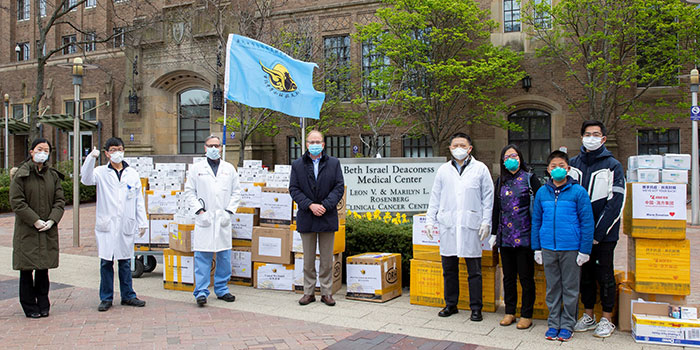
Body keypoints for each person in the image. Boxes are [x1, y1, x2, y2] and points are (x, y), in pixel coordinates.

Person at [425, 132, 494, 322]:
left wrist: (486, 221)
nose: (458, 149)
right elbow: (435, 198)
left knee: (474, 270)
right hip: (448, 224)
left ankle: (476, 308)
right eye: (455, 146)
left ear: (470, 148)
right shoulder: (443, 171)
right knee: (449, 268)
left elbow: (488, 198)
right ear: (449, 148)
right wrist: (430, 220)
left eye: (462, 145)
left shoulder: (480, 169)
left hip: (471, 224)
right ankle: (451, 304)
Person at [569, 120, 625, 338]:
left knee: (605, 275)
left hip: (604, 236)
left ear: (603, 139)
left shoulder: (613, 165)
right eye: (587, 134)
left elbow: (616, 202)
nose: (591, 137)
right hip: (580, 235)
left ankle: (607, 318)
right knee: (585, 276)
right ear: (582, 137)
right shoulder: (573, 164)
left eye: (596, 134)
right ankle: (589, 314)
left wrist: (597, 234)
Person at [531, 150, 594, 342]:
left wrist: (585, 250)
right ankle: (553, 323)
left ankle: (567, 325)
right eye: (553, 166)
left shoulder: (578, 192)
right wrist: (537, 248)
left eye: (561, 166)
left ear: (568, 169)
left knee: (570, 288)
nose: (557, 169)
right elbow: (536, 220)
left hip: (571, 248)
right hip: (549, 247)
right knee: (552, 288)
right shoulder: (542, 192)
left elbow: (587, 222)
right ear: (548, 170)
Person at [81, 137, 148, 312]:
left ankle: (128, 296)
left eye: (119, 149)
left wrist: (142, 222)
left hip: (126, 223)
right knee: (106, 262)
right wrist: (90, 158)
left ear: (124, 150)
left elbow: (138, 200)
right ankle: (106, 297)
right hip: (107, 225)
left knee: (125, 262)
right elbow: (85, 179)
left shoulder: (132, 173)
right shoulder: (101, 172)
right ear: (106, 153)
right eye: (112, 150)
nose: (116, 152)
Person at [9, 138, 65, 318]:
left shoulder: (53, 175)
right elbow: (17, 203)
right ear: (32, 151)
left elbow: (59, 201)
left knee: (43, 269)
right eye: (39, 149)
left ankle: (43, 303)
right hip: (27, 229)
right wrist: (35, 220)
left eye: (46, 150)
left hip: (47, 229)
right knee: (26, 269)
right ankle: (29, 306)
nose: (43, 153)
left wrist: (52, 220)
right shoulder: (21, 175)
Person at [289, 130, 345, 307]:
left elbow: (338, 187)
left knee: (327, 259)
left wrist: (325, 205)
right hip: (307, 216)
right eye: (311, 141)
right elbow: (294, 189)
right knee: (308, 259)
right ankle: (309, 292)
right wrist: (310, 205)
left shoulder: (334, 163)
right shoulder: (297, 165)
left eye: (318, 141)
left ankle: (327, 292)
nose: (314, 144)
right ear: (306, 144)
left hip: (327, 216)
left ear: (323, 144)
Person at [184, 135, 241, 306]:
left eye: (217, 145)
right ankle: (201, 291)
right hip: (205, 218)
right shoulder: (196, 169)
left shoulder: (229, 168)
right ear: (205, 147)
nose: (214, 148)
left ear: (221, 148)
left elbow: (236, 192)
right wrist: (199, 211)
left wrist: (229, 211)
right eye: (211, 145)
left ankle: (222, 289)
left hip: (223, 218)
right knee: (203, 256)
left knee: (224, 256)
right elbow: (189, 192)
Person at [491, 144, 541, 329]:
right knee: (508, 277)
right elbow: (496, 208)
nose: (511, 159)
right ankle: (510, 312)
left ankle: (526, 314)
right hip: (505, 238)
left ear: (520, 158)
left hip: (525, 237)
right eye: (507, 156)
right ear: (503, 161)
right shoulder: (500, 181)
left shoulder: (530, 179)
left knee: (526, 278)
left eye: (515, 155)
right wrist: (494, 233)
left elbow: (540, 205)